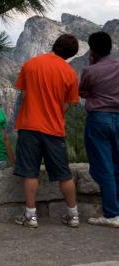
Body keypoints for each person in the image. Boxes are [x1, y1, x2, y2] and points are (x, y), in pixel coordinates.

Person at [13, 34, 80, 228]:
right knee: (64, 174)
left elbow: (24, 94)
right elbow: (67, 104)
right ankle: (73, 215)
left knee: (30, 172)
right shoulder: (69, 73)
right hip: (54, 128)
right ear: (70, 55)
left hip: (29, 126)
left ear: (55, 44)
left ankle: (31, 216)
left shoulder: (30, 64)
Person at [80, 31, 119, 228]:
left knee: (104, 167)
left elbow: (83, 91)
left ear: (92, 49)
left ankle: (112, 215)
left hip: (100, 119)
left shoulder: (90, 70)